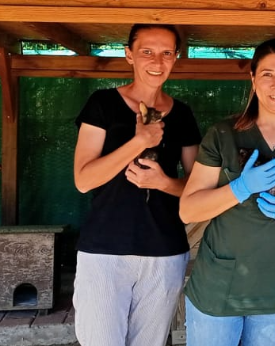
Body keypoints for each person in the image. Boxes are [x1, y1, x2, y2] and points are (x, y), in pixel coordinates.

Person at [179, 38, 275, 346]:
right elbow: (188, 210)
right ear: (252, 79)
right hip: (218, 286)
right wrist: (240, 188)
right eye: (267, 74)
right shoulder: (223, 134)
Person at [71, 23, 200, 346]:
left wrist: (163, 182)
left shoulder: (182, 115)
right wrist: (139, 140)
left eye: (166, 53)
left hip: (164, 250)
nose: (157, 61)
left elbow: (197, 187)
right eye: (147, 52)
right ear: (129, 55)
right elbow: (83, 180)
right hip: (103, 250)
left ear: (175, 58)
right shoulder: (102, 104)